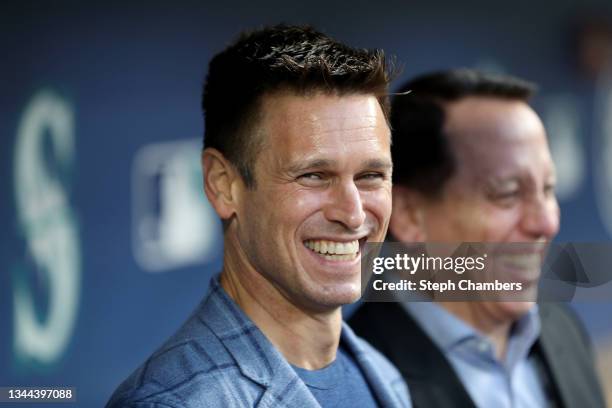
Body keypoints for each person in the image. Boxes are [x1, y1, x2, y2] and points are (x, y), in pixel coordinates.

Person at [107, 25, 411, 407]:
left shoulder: (386, 378)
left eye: (370, 176)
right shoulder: (176, 402)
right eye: (313, 175)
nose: (352, 214)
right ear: (223, 185)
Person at [349, 69, 606, 407]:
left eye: (548, 189)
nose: (545, 222)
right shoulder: (357, 381)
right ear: (409, 214)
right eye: (508, 194)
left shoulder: (562, 331)